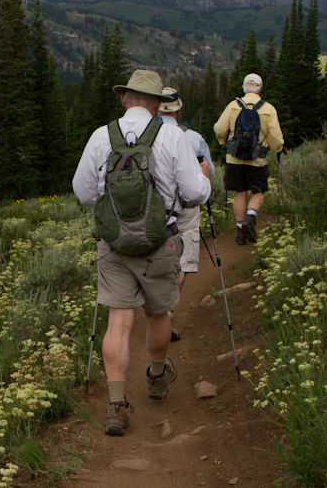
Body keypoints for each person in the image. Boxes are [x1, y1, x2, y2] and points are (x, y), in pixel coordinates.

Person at [73, 69, 212, 437]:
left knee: (118, 322)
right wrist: (207, 185)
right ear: (157, 104)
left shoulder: (102, 136)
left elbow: (84, 193)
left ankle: (117, 404)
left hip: (114, 244)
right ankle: (155, 375)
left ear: (124, 99)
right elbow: (194, 193)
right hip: (159, 243)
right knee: (158, 313)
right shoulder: (172, 135)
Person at [157, 87, 215, 342]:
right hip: (187, 209)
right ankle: (166, 314)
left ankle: (157, 310)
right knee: (182, 262)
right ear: (178, 110)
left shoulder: (146, 136)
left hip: (157, 210)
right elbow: (208, 171)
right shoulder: (193, 137)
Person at [213, 73, 284, 245]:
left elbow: (219, 129)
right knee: (259, 192)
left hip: (234, 159)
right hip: (257, 160)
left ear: (244, 88)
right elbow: (276, 138)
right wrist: (277, 149)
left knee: (240, 193)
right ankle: (250, 217)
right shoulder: (268, 109)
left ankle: (240, 230)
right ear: (260, 88)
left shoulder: (233, 106)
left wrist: (224, 141)